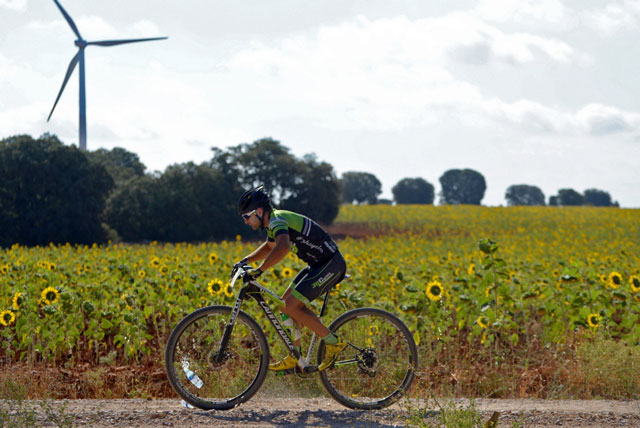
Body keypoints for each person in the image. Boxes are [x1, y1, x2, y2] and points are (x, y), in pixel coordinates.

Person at [234, 185, 347, 371]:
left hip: (331, 264)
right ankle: (295, 355)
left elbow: (283, 247)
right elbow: (270, 246)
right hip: (317, 265)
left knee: (292, 305)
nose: (245, 221)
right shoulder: (274, 222)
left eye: (246, 216)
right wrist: (245, 260)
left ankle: (334, 342)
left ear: (260, 211)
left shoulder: (277, 220)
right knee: (284, 305)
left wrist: (260, 270)